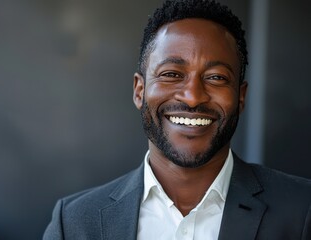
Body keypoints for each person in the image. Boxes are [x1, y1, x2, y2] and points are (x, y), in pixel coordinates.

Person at [43, 0, 311, 239]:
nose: (193, 97)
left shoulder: (303, 210)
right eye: (171, 74)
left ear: (240, 97)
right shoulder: (74, 223)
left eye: (216, 77)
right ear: (140, 90)